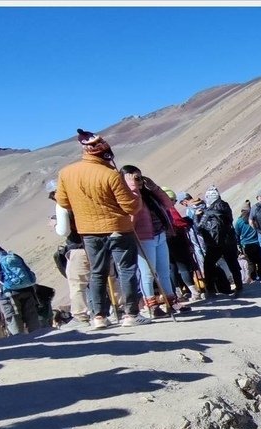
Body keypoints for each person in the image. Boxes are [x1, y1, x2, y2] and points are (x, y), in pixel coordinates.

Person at [55, 129, 149, 328]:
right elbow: (130, 206)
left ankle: (99, 316)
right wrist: (135, 194)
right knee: (126, 270)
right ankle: (131, 314)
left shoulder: (66, 173)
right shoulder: (110, 174)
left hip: (88, 231)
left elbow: (63, 201)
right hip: (118, 228)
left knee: (97, 272)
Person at [121, 165, 187, 316]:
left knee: (164, 270)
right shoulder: (128, 197)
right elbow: (131, 213)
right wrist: (133, 189)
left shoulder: (149, 195)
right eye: (132, 177)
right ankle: (151, 305)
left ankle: (172, 301)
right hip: (143, 238)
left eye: (138, 176)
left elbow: (168, 203)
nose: (137, 180)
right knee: (148, 273)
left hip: (159, 235)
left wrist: (154, 187)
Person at [0, 237, 43, 335]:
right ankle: (41, 336)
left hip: (8, 295)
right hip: (27, 291)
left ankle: (22, 344)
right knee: (32, 317)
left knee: (14, 321)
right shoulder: (11, 255)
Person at [48, 179, 93, 329]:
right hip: (97, 244)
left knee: (77, 283)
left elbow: (63, 231)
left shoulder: (62, 205)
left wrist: (55, 225)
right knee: (105, 278)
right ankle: (115, 309)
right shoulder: (86, 198)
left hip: (78, 248)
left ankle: (80, 316)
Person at [235, 201, 261, 283]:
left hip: (246, 245)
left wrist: (239, 245)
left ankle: (253, 277)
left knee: (250, 262)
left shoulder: (239, 222)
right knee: (260, 260)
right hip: (257, 243)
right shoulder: (254, 219)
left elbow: (237, 234)